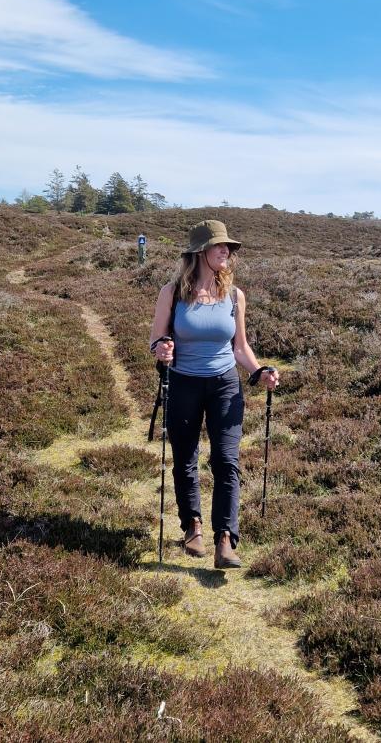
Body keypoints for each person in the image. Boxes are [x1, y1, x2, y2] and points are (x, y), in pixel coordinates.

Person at [149, 220, 280, 569]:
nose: (227, 251)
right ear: (200, 252)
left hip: (224, 384)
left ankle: (226, 540)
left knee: (227, 461)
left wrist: (258, 372)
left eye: (229, 248)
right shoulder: (172, 292)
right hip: (183, 383)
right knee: (185, 459)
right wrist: (162, 349)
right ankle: (192, 526)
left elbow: (240, 347)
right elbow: (156, 339)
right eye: (220, 246)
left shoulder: (235, 296)